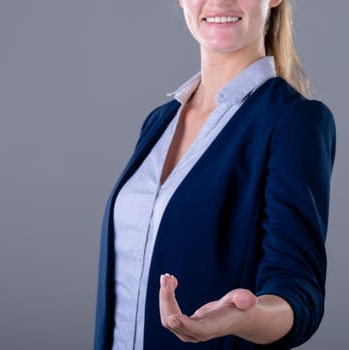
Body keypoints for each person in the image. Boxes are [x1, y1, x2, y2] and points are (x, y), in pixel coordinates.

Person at [95, 0, 336, 349]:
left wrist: (248, 318)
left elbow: (299, 293)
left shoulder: (294, 121)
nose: (219, 2)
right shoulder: (158, 122)